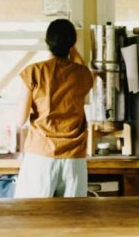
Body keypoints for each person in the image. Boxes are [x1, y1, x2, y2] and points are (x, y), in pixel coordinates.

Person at [14, 18, 93, 198]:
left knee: (35, 218)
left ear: (47, 42)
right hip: (74, 158)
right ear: (72, 44)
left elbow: (20, 120)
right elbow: (81, 65)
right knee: (72, 219)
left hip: (41, 155)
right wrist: (72, 48)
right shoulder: (82, 74)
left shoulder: (33, 72)